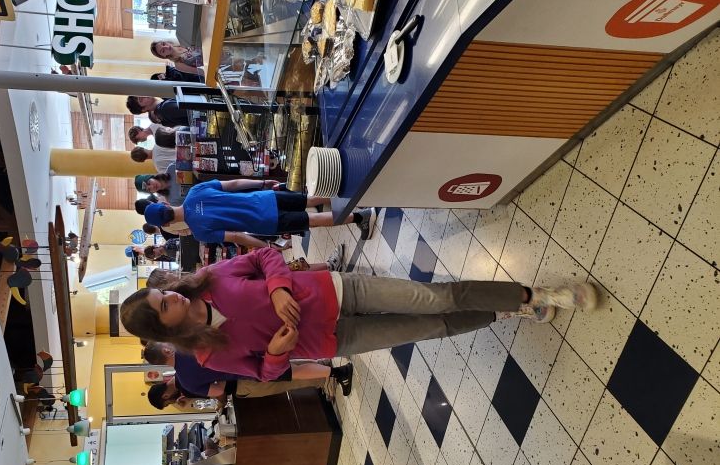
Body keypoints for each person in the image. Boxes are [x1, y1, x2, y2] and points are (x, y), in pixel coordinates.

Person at [119, 247, 598, 381]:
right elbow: (262, 373)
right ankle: (504, 311)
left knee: (435, 298)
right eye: (165, 307)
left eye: (166, 294)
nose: (174, 297)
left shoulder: (211, 277)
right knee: (432, 327)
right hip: (333, 343)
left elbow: (265, 256)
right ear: (165, 328)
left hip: (338, 291)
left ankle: (535, 294)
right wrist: (278, 354)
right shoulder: (206, 356)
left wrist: (279, 285)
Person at [137, 179, 377, 249]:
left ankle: (360, 217)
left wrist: (266, 249)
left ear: (167, 225)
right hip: (263, 198)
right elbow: (233, 184)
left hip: (265, 222)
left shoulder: (200, 233)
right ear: (166, 205)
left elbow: (238, 237)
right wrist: (262, 182)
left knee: (312, 220)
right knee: (309, 199)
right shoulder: (196, 192)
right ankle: (360, 195)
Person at [144, 340, 353, 398]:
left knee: (292, 372)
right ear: (165, 349)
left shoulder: (187, 381)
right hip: (246, 342)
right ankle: (335, 342)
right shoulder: (187, 340)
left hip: (247, 370)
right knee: (292, 347)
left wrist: (217, 376)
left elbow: (218, 390)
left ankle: (338, 373)